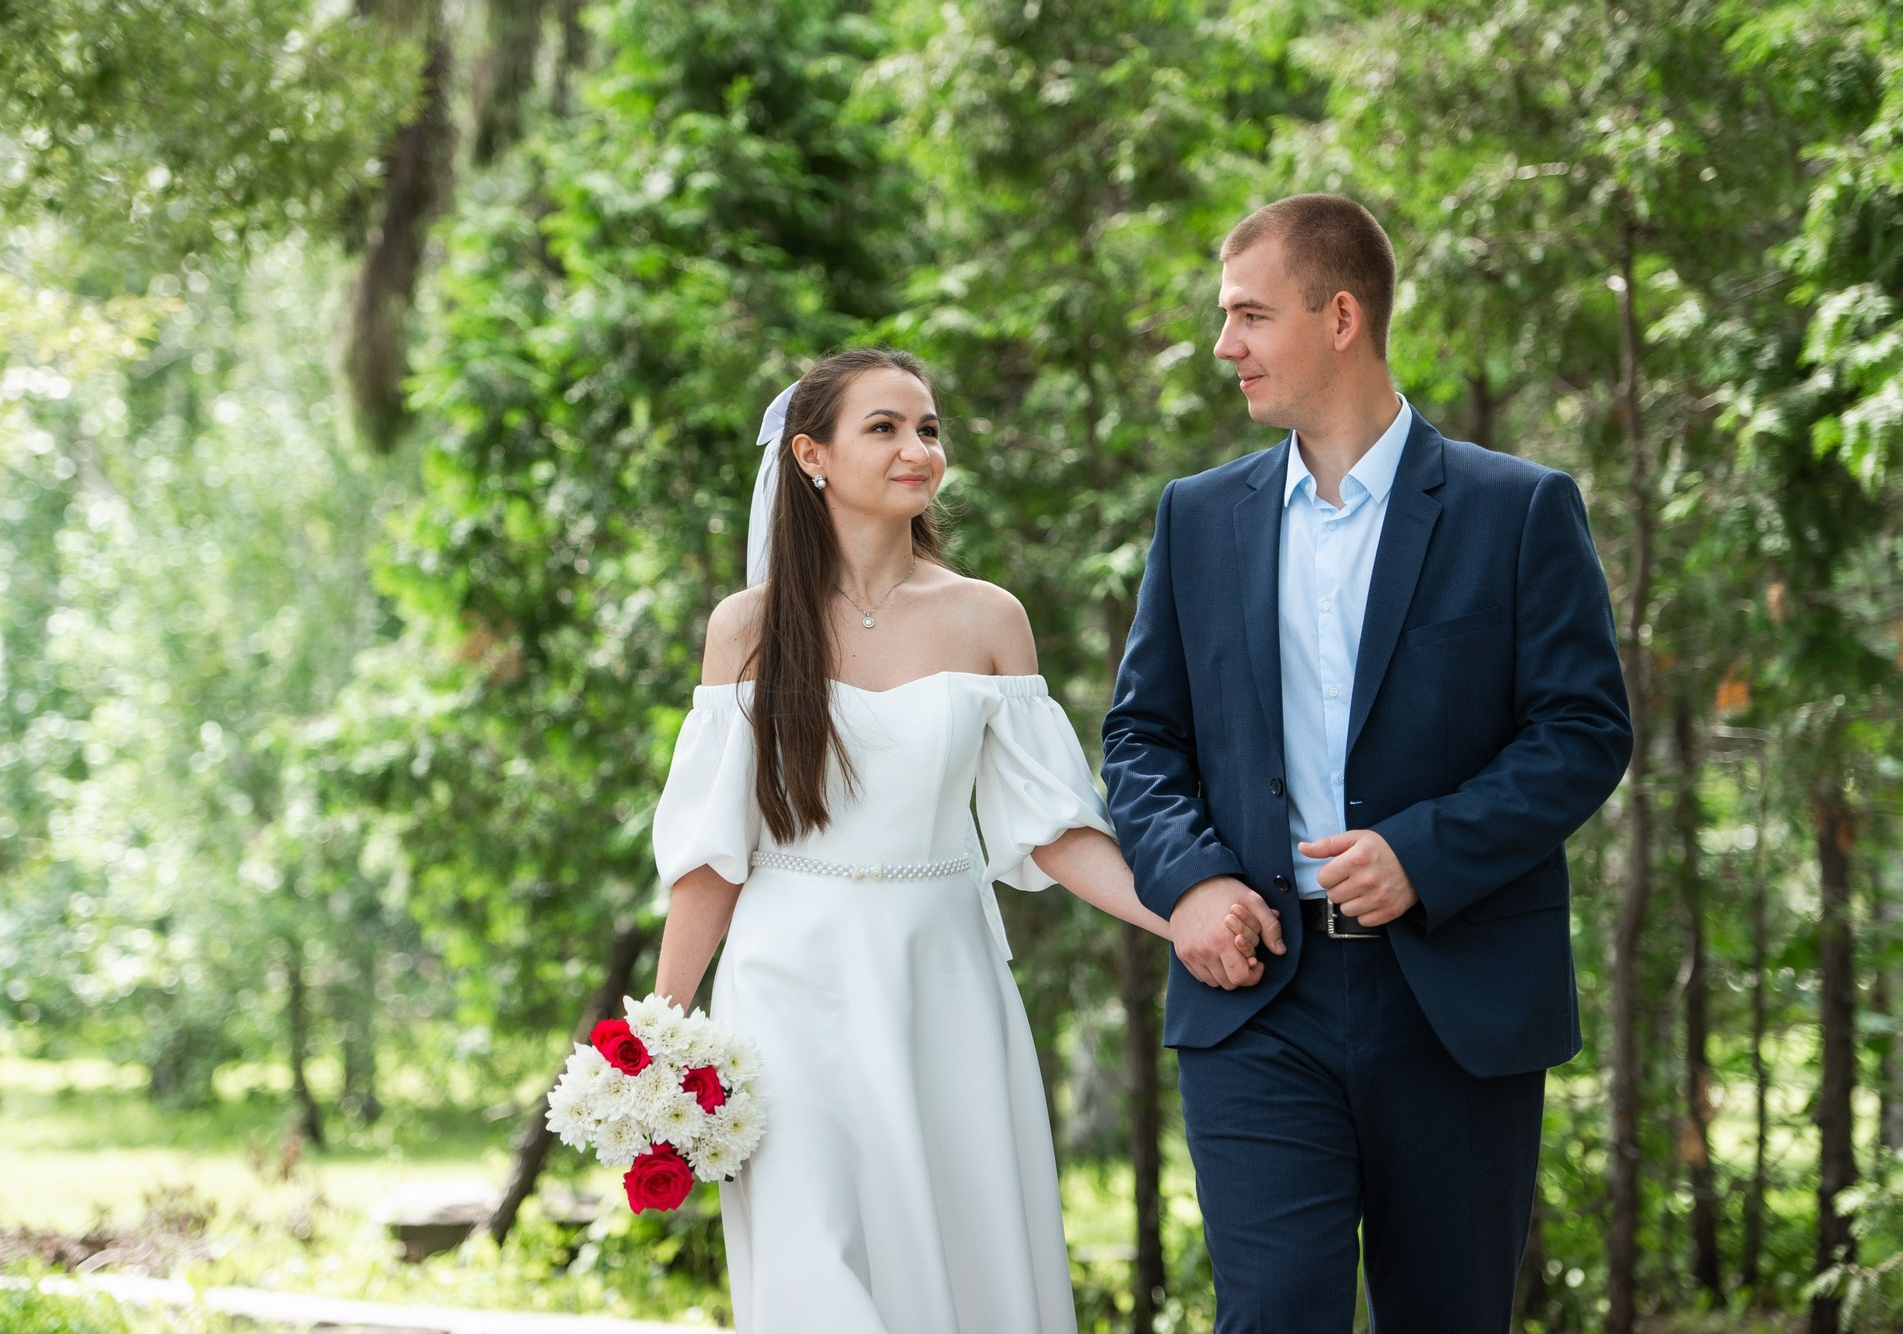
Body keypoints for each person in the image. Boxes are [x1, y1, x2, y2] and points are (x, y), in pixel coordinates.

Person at [1101, 194, 1634, 1332]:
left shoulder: (1518, 507)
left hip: (1456, 996)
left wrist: (1421, 852)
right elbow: (1141, 734)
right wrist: (1189, 881)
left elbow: (1581, 730)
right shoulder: (1196, 517)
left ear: (1339, 315)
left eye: (1248, 315)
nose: (1222, 344)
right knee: (1275, 1312)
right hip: (1257, 996)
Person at [648, 347, 1184, 1334]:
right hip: (785, 984)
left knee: (960, 1257)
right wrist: (657, 1040)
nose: (917, 448)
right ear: (810, 455)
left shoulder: (987, 617)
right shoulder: (747, 628)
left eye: (927, 427)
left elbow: (1054, 828)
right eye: (885, 427)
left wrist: (1181, 915)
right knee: (813, 1262)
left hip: (942, 976)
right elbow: (709, 854)